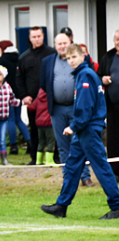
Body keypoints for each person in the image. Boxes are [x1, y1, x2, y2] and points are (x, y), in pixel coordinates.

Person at [41, 44, 119, 220]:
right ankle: (61, 205)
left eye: (74, 57)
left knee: (101, 167)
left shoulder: (85, 75)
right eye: (68, 58)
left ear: (82, 56)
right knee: (72, 166)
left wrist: (74, 126)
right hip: (84, 130)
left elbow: (85, 106)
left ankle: (117, 205)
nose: (71, 61)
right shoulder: (83, 74)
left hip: (88, 129)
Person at [42, 33, 93, 186]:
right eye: (59, 44)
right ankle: (68, 177)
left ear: (70, 42)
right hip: (57, 109)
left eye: (65, 43)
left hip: (76, 108)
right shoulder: (48, 61)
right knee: (63, 146)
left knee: (80, 142)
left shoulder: (81, 60)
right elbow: (44, 83)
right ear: (55, 45)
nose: (63, 46)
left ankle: (85, 177)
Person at [17, 27, 55, 165]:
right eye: (34, 37)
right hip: (33, 101)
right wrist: (24, 96)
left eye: (39, 36)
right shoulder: (24, 57)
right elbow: (19, 79)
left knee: (53, 129)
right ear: (30, 38)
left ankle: (55, 157)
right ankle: (34, 158)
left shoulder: (52, 53)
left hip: (51, 99)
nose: (37, 39)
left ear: (43, 36)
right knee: (34, 129)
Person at [0, 41, 30, 157]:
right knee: (18, 120)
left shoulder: (1, 61)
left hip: (6, 93)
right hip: (19, 93)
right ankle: (30, 144)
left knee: (10, 120)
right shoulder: (20, 58)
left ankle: (14, 146)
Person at [97, 29, 119, 181]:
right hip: (112, 105)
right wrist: (102, 79)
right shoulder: (108, 56)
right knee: (113, 138)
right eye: (116, 40)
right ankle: (115, 172)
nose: (118, 43)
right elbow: (97, 75)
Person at [27, 88, 56, 165]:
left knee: (41, 142)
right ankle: (49, 160)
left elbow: (31, 107)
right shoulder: (51, 97)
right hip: (49, 123)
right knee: (51, 142)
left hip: (39, 124)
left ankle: (38, 160)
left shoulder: (38, 98)